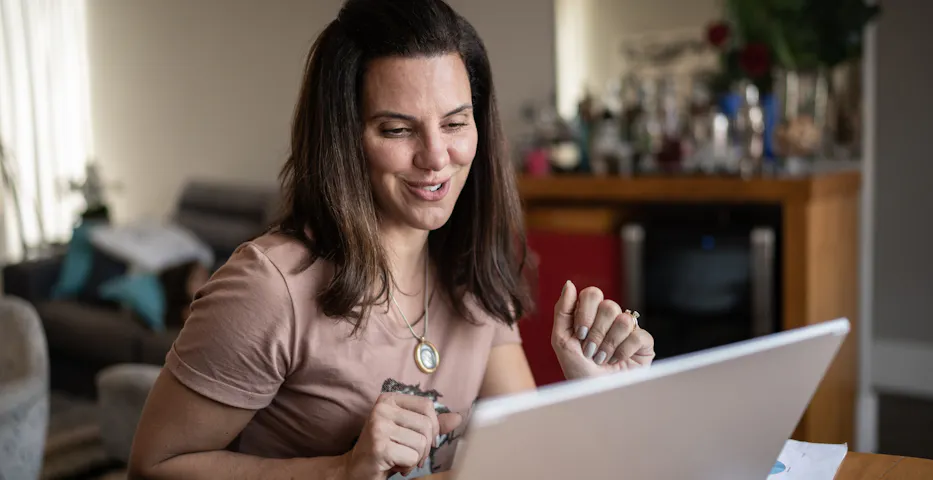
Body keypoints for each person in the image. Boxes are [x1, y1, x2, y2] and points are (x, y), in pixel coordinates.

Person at [127, 1, 655, 479]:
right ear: (344, 137)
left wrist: (595, 393)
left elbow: (521, 458)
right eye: (397, 130)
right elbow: (154, 467)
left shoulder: (472, 272)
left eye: (454, 123)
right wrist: (342, 472)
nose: (435, 157)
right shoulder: (269, 289)